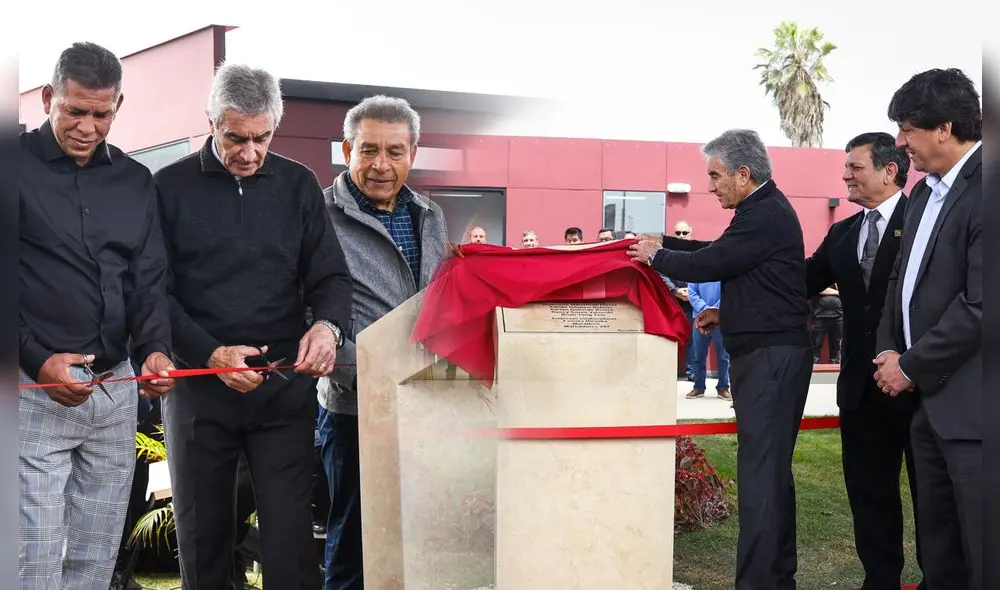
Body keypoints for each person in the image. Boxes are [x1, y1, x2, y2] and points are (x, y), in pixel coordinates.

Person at [155, 62, 353, 590]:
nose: (248, 152)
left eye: (262, 137)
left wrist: (328, 328)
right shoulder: (167, 187)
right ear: (211, 121)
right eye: (235, 137)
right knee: (205, 541)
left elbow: (331, 277)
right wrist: (210, 354)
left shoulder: (298, 185)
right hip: (198, 391)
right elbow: (155, 293)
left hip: (282, 393)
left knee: (290, 545)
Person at [19, 41, 175, 589]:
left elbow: (149, 281)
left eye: (101, 114)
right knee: (30, 561)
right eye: (75, 111)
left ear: (118, 106)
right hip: (31, 392)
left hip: (116, 393)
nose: (87, 127)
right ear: (47, 99)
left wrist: (155, 349)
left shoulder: (135, 182)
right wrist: (36, 359)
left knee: (94, 559)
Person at [628, 129, 813, 589]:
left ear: (743, 174)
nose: (710, 185)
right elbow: (726, 257)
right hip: (767, 353)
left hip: (772, 359)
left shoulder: (764, 212)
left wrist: (655, 256)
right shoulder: (759, 209)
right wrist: (664, 243)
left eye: (715, 175)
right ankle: (775, 579)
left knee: (760, 480)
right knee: (769, 477)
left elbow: (711, 264)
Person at [318, 94, 449, 590]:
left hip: (426, 404)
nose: (381, 164)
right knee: (353, 542)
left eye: (395, 152)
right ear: (347, 148)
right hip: (355, 408)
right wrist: (364, 367)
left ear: (413, 152)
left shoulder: (430, 215)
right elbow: (309, 312)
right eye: (368, 149)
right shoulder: (319, 213)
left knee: (420, 536)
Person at [873, 68, 982, 590]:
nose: (900, 142)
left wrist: (911, 365)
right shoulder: (922, 194)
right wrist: (890, 350)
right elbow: (901, 281)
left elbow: (981, 306)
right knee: (939, 556)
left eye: (907, 128)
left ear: (943, 127)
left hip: (979, 415)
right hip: (929, 410)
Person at [806, 131, 923, 589]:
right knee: (869, 495)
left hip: (920, 389)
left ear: (889, 170)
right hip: (860, 390)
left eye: (854, 167)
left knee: (932, 499)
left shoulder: (925, 219)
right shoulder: (842, 232)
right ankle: (879, 580)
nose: (845, 175)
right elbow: (799, 280)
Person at [686, 280, 730, 400]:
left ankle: (723, 388)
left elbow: (728, 291)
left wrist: (714, 311)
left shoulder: (724, 269)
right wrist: (706, 310)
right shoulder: (696, 270)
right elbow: (691, 292)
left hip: (720, 318)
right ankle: (698, 387)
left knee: (724, 357)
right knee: (697, 356)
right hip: (699, 318)